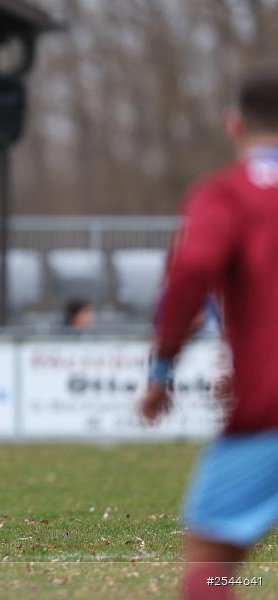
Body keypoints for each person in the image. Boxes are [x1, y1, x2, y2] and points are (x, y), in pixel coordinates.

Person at [139, 64, 278, 600]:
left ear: (233, 124)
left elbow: (193, 269)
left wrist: (161, 370)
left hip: (269, 409)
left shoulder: (227, 194)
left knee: (213, 560)